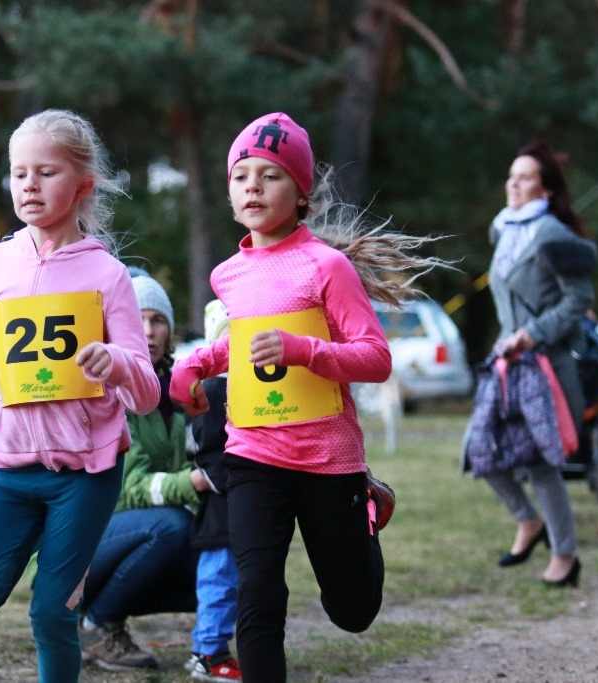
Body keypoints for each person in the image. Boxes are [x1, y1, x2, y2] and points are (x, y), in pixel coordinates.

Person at [170, 112, 443, 681]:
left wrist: (304, 350)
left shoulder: (328, 267)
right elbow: (241, 347)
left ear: (300, 193)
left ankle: (366, 510)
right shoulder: (228, 275)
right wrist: (194, 364)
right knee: (259, 595)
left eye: (269, 175)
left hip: (327, 458)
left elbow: (375, 358)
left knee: (352, 610)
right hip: (251, 454)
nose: (252, 186)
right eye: (241, 175)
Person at [0, 108, 160, 683]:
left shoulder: (108, 275)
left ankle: (65, 566)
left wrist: (115, 363)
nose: (29, 186)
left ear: (82, 185)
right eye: (18, 174)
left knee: (50, 612)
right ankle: (55, 548)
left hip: (86, 472)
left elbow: (147, 392)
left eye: (46, 173)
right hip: (10, 467)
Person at [77, 271, 216, 676]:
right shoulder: (105, 390)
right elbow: (130, 490)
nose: (150, 331)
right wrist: (195, 483)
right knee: (170, 527)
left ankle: (210, 642)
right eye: (138, 319)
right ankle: (93, 624)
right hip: (87, 540)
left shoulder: (178, 389)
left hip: (144, 531)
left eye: (159, 321)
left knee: (227, 558)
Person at [473, 140, 593, 587]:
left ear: (545, 191)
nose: (513, 185)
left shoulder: (553, 235)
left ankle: (565, 557)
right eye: (511, 176)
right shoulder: (504, 230)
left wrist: (533, 333)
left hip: (546, 366)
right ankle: (528, 521)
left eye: (524, 178)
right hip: (509, 364)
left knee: (543, 466)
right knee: (481, 449)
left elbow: (580, 299)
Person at [184, 298, 241, 681]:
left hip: (241, 504)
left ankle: (217, 646)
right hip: (222, 507)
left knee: (236, 581)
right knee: (219, 580)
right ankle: (208, 651)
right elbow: (208, 447)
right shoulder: (214, 391)